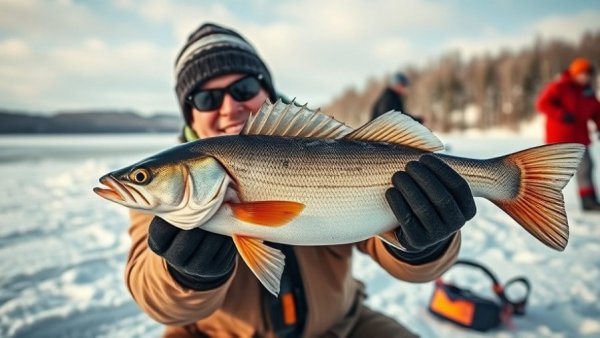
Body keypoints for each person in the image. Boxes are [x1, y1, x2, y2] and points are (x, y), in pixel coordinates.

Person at [125, 23, 476, 338]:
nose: (230, 107)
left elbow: (406, 265)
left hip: (340, 327)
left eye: (244, 87)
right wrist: (185, 275)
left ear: (267, 90)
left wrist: (426, 245)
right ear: (190, 116)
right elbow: (156, 300)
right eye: (207, 98)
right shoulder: (164, 193)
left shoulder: (334, 149)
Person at [536, 57, 600, 211]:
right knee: (555, 172)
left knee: (587, 167)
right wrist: (561, 114)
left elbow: (596, 111)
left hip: (580, 138)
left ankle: (588, 200)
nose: (587, 77)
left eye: (588, 74)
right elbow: (542, 104)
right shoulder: (560, 86)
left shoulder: (587, 91)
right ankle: (542, 201)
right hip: (560, 139)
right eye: (583, 74)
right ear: (575, 73)